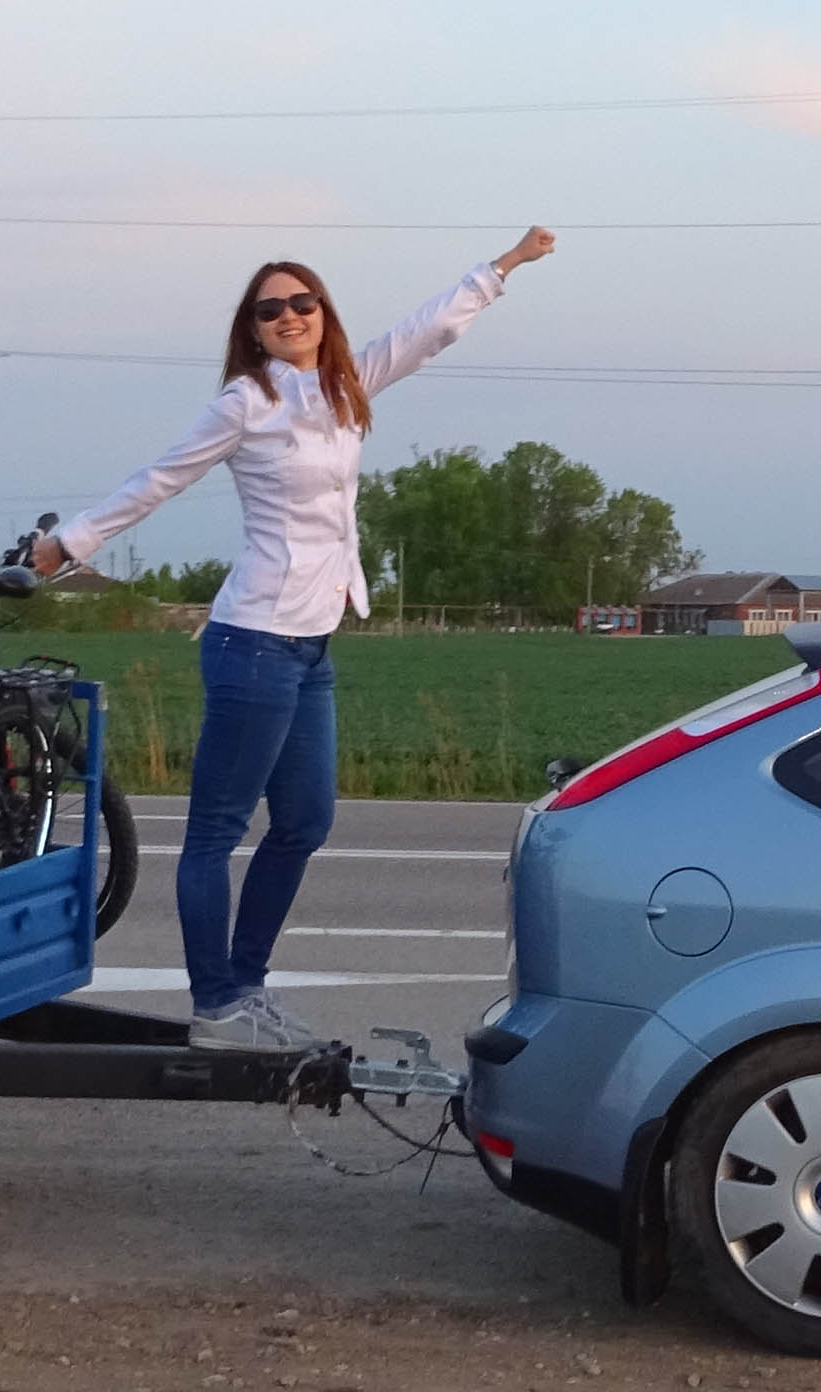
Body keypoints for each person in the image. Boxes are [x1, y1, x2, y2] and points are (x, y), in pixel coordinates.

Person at [32, 231, 557, 1048]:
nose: (288, 315)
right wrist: (72, 542)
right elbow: (162, 477)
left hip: (310, 647)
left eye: (301, 301)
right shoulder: (246, 403)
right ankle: (216, 1007)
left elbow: (427, 330)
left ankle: (247, 986)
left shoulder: (347, 386)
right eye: (269, 309)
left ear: (322, 312)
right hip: (253, 641)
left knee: (305, 822)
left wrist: (503, 267)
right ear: (252, 329)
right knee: (215, 833)